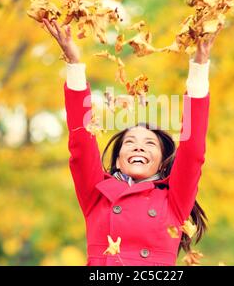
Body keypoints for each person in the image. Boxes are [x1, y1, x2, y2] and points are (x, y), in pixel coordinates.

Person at [42, 17, 222, 266]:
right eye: (130, 142)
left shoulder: (174, 200)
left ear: (162, 163)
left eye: (150, 144)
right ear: (117, 159)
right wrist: (74, 63)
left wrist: (199, 67)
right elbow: (81, 144)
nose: (139, 146)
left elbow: (193, 151)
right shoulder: (97, 194)